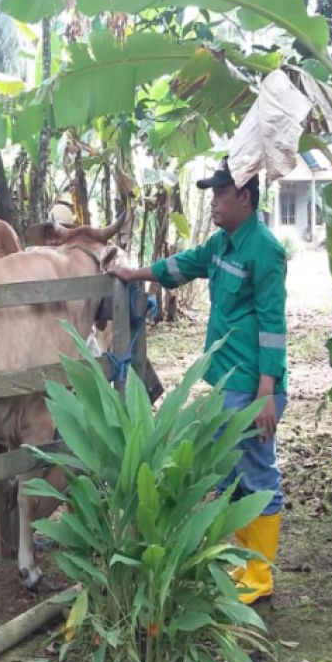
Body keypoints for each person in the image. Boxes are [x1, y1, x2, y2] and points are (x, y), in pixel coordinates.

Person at [110, 158, 288, 605]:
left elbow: (272, 324)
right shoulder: (223, 243)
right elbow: (183, 266)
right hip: (228, 378)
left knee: (257, 470)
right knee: (232, 470)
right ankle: (244, 560)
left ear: (244, 198)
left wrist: (266, 393)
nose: (213, 202)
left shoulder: (264, 249)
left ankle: (260, 575)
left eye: (220, 194)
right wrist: (135, 274)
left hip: (253, 383)